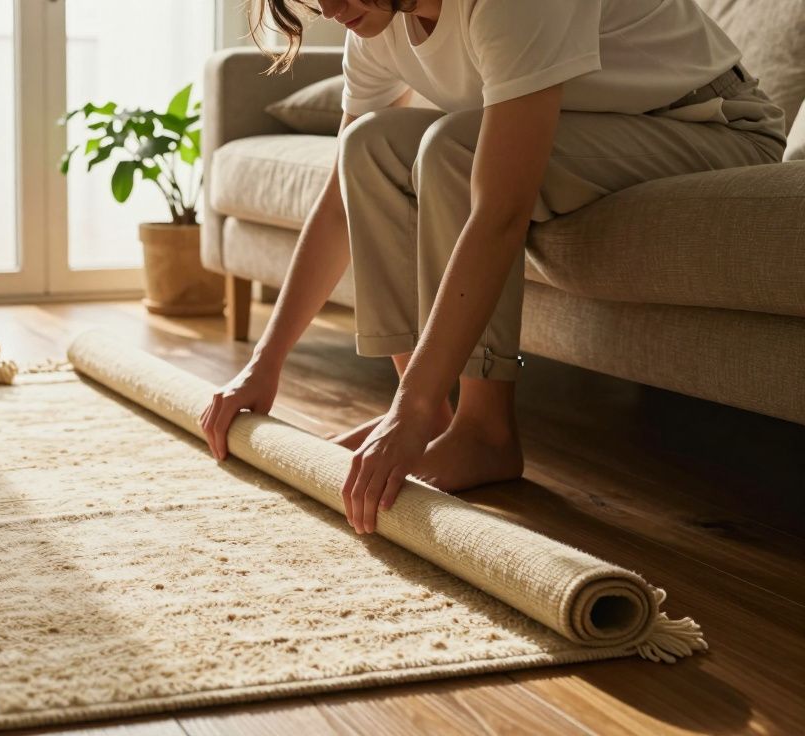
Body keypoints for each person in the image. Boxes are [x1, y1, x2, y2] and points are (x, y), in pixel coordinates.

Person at [198, 0, 785, 535]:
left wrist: (409, 410)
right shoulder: (375, 23)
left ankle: (485, 431)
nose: (328, 9)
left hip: (713, 127)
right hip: (605, 125)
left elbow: (500, 211)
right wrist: (264, 364)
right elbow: (338, 203)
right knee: (369, 146)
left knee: (455, 147)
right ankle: (431, 417)